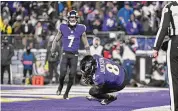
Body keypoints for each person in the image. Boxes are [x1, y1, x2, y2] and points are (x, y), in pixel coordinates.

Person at [51, 10, 90, 99]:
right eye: (71, 17)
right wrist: (52, 50)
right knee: (62, 73)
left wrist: (89, 56)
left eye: (74, 17)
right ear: (68, 18)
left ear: (77, 18)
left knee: (72, 75)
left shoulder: (81, 28)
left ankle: (66, 93)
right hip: (65, 54)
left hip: (74, 55)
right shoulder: (63, 27)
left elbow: (86, 44)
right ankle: (60, 86)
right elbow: (55, 40)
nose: (73, 19)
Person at [152, 1, 178, 111]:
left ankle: (175, 108)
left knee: (174, 79)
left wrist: (155, 48)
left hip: (175, 42)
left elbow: (163, 28)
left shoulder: (170, 6)